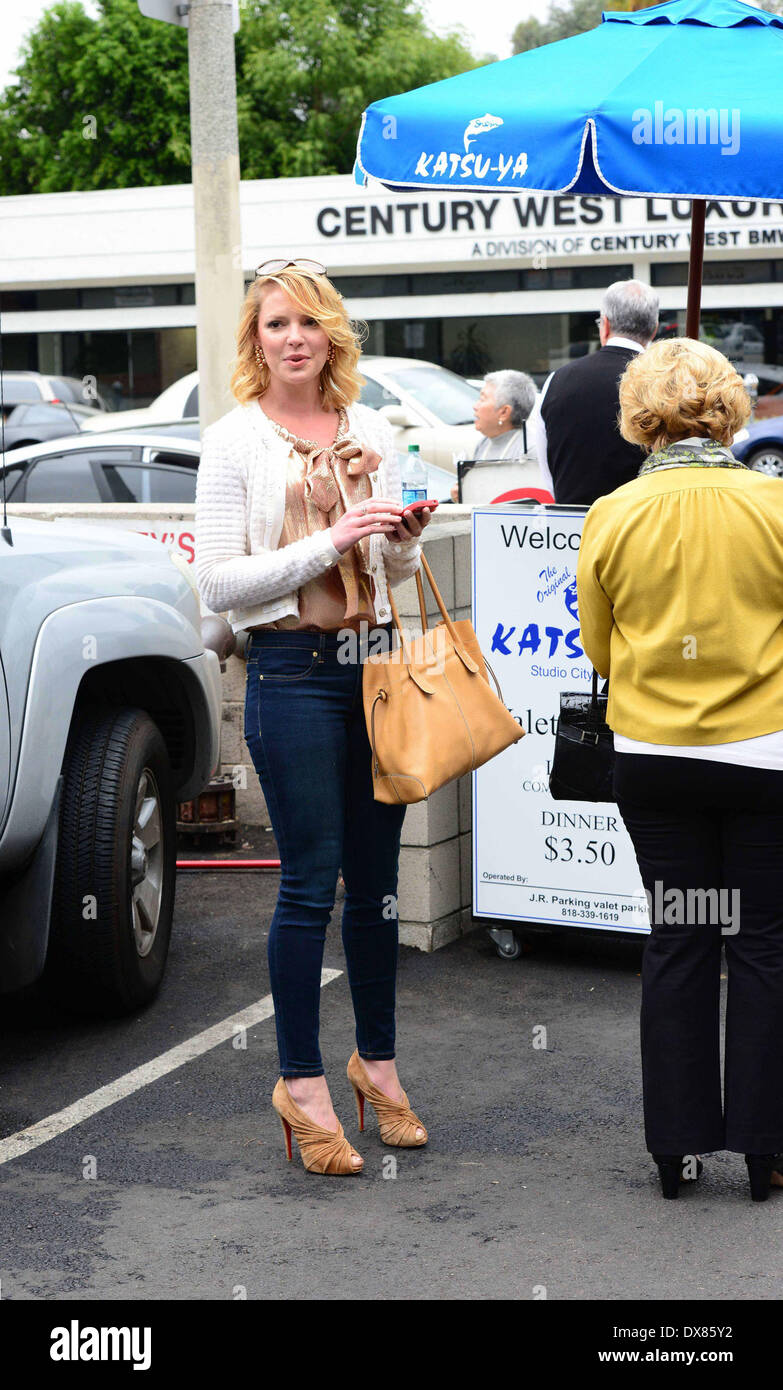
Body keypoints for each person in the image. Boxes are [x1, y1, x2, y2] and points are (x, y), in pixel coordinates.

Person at [194, 258, 432, 1176]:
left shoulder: (368, 426)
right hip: (290, 672)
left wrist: (399, 540)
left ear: (333, 332)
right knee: (310, 883)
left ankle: (377, 1066)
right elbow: (217, 579)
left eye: (308, 322)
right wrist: (328, 539)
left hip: (372, 668)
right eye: (274, 324)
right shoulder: (233, 441)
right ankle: (299, 1083)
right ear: (255, 341)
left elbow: (392, 577)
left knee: (377, 885)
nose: (293, 337)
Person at [576, 338, 783, 1202]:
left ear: (638, 415)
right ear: (729, 410)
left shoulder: (612, 514)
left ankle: (677, 1151)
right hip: (763, 756)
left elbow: (598, 644)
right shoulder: (773, 504)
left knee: (678, 940)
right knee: (767, 945)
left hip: (655, 759)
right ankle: (765, 1150)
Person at [533, 279, 659, 504]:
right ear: (654, 329)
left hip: (573, 529)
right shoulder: (663, 382)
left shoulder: (557, 381)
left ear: (606, 325)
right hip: (641, 525)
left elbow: (547, 469)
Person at [450, 370, 537, 501]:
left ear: (504, 412)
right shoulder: (484, 443)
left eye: (482, 399)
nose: (475, 406)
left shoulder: (529, 449)